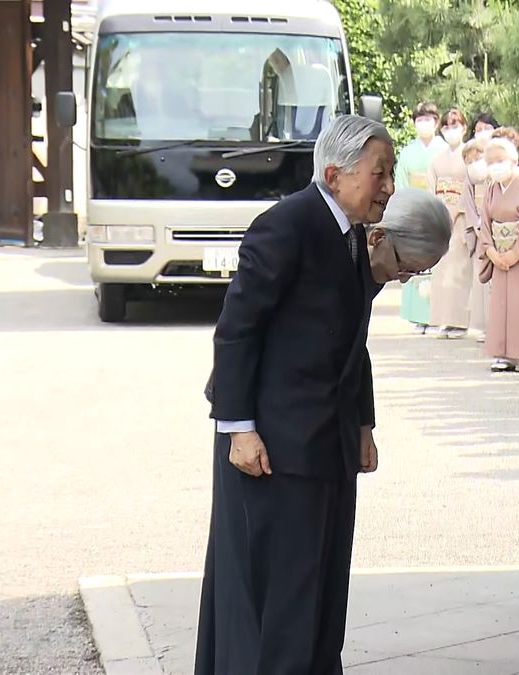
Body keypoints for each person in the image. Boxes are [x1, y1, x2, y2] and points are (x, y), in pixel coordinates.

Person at [197, 115, 453, 674]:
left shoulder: (355, 237)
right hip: (271, 447)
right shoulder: (286, 226)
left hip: (326, 443)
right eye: (380, 174)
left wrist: (363, 425)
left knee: (322, 590)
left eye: (389, 175)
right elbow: (238, 330)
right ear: (335, 174)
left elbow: (352, 347)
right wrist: (238, 428)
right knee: (274, 596)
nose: (389, 186)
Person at [481, 137, 519, 372]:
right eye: (491, 161)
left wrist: (516, 252)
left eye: (500, 160)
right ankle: (502, 353)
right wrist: (491, 251)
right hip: (498, 252)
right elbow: (485, 221)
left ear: (513, 160)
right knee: (500, 303)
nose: (496, 165)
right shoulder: (492, 187)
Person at [396, 102, 449, 334]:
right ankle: (418, 316)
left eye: (428, 119)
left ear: (436, 123)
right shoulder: (407, 152)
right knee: (414, 259)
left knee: (439, 262)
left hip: (438, 207)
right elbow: (401, 182)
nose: (423, 124)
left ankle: (439, 314)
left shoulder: (444, 150)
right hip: (413, 209)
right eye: (419, 120)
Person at [427, 109, 474, 338]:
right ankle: (442, 318)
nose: (450, 130)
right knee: (441, 268)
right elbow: (431, 187)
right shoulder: (437, 159)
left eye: (455, 125)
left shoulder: (470, 155)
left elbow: (470, 186)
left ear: (464, 128)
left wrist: (455, 211)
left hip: (461, 216)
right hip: (441, 213)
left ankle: (460, 320)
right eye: (446, 126)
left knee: (459, 270)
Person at [461, 139, 492, 342]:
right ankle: (482, 325)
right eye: (469, 160)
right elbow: (468, 206)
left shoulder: (494, 177)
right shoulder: (469, 180)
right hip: (480, 232)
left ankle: (495, 325)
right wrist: (476, 226)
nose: (474, 162)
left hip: (495, 232)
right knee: (481, 281)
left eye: (478, 157)